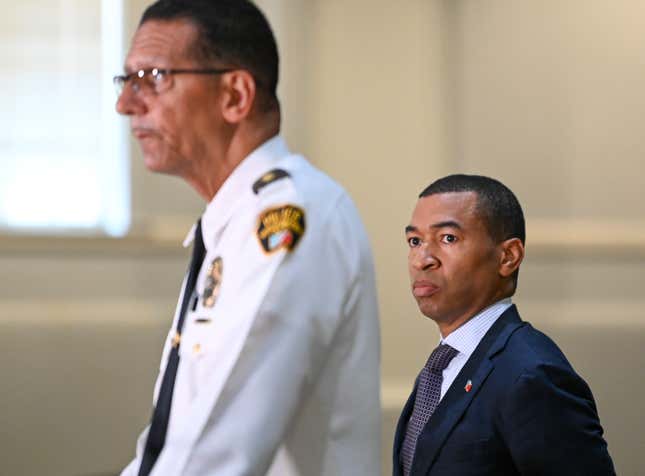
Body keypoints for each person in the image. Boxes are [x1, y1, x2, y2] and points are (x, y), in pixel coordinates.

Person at [114, 1, 380, 475]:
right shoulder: (234, 222)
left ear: (235, 95)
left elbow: (215, 455)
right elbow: (176, 442)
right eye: (126, 80)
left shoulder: (289, 220)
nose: (126, 103)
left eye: (153, 77)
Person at [393, 174, 614, 476]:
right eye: (414, 241)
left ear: (508, 256)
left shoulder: (532, 375)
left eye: (448, 238)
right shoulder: (443, 365)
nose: (422, 259)